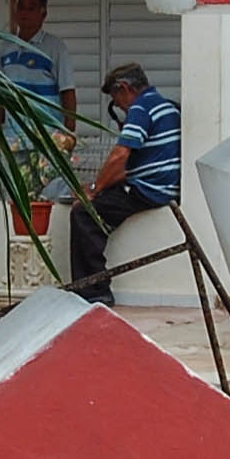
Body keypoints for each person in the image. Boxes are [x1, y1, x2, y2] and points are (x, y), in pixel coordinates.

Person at [72, 62, 182, 304]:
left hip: (147, 189)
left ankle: (93, 290)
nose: (119, 107)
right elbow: (137, 162)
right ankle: (92, 286)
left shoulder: (141, 108)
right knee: (99, 207)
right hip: (161, 185)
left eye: (115, 99)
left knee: (84, 213)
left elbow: (121, 155)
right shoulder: (167, 107)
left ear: (123, 89)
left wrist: (94, 189)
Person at [0, 0, 78, 195]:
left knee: (52, 194)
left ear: (43, 14)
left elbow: (67, 90)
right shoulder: (6, 47)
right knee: (19, 195)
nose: (25, 13)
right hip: (15, 137)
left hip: (48, 135)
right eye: (21, 8)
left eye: (31, 8)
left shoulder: (55, 48)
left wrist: (68, 132)